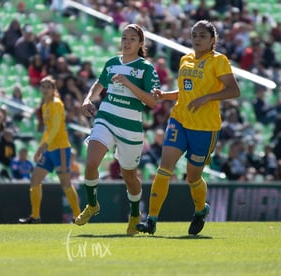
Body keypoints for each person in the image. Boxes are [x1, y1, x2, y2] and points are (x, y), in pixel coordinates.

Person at [136, 20, 241, 236]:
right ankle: (151, 220)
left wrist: (207, 98)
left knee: (192, 177)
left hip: (205, 128)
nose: (197, 39)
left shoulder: (219, 61)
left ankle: (201, 210)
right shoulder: (185, 59)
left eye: (202, 35)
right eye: (194, 35)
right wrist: (166, 95)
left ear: (213, 40)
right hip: (179, 120)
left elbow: (233, 91)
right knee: (164, 168)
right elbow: (186, 92)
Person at [73, 24, 160, 235]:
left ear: (140, 43)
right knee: (92, 162)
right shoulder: (112, 63)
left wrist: (129, 83)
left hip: (130, 127)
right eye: (124, 38)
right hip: (106, 118)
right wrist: (88, 99)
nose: (127, 41)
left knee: (129, 176)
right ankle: (92, 205)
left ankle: (134, 214)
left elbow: (153, 102)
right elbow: (99, 84)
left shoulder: (146, 68)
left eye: (132, 38)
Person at [19, 76, 81, 223]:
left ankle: (78, 216)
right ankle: (35, 216)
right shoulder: (45, 106)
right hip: (49, 149)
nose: (45, 89)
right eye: (43, 86)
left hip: (60, 149)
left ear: (54, 90)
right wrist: (41, 148)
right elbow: (47, 131)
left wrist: (43, 146)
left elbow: (56, 128)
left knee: (65, 182)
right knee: (35, 179)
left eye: (48, 86)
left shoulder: (57, 104)